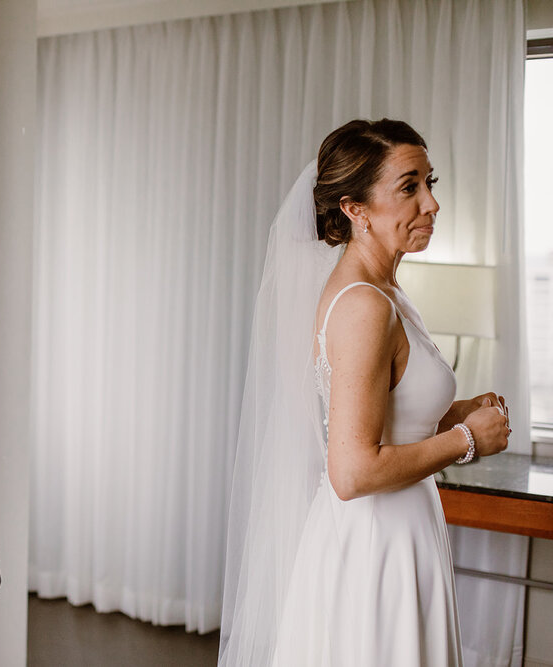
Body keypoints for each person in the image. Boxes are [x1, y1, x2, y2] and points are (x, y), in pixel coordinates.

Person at [218, 119, 510, 666]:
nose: (432, 204)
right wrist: (467, 440)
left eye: (430, 183)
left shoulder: (386, 291)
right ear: (355, 208)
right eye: (409, 187)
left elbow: (384, 414)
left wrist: (452, 414)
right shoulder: (363, 307)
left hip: (403, 533)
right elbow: (352, 472)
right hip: (378, 546)